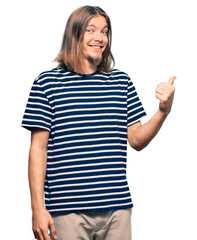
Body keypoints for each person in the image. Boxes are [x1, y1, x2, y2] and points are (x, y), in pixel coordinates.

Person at [21, 5, 176, 240]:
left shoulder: (121, 82)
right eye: (90, 30)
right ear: (74, 34)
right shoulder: (47, 83)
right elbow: (38, 149)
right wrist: (37, 209)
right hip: (66, 212)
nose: (99, 38)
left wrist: (163, 111)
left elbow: (136, 140)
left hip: (117, 211)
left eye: (104, 31)